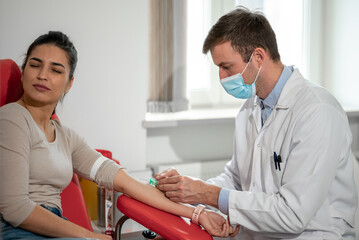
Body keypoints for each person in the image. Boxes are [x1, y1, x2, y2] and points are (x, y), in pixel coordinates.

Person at [0, 31, 235, 240]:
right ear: (23, 73)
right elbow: (16, 208)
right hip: (18, 230)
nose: (42, 75)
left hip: (55, 228)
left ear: (69, 83)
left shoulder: (66, 137)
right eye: (35, 65)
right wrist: (89, 236)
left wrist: (197, 213)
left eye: (55, 70)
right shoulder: (12, 118)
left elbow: (128, 183)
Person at [155, 6, 358, 239]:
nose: (221, 78)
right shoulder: (251, 108)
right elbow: (236, 178)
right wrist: (187, 188)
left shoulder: (318, 112)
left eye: (226, 67)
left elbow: (293, 214)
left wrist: (207, 194)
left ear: (258, 57)